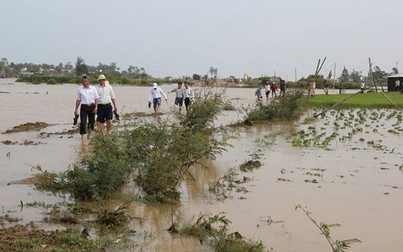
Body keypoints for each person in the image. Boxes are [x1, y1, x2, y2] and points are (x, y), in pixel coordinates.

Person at [74, 74, 99, 140]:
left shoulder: (93, 88)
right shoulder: (79, 89)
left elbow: (96, 98)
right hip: (84, 107)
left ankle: (89, 135)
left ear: (88, 81)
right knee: (83, 122)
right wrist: (76, 109)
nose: (84, 83)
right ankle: (82, 137)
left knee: (91, 122)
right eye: (83, 81)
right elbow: (78, 100)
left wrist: (96, 108)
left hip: (92, 106)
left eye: (86, 81)